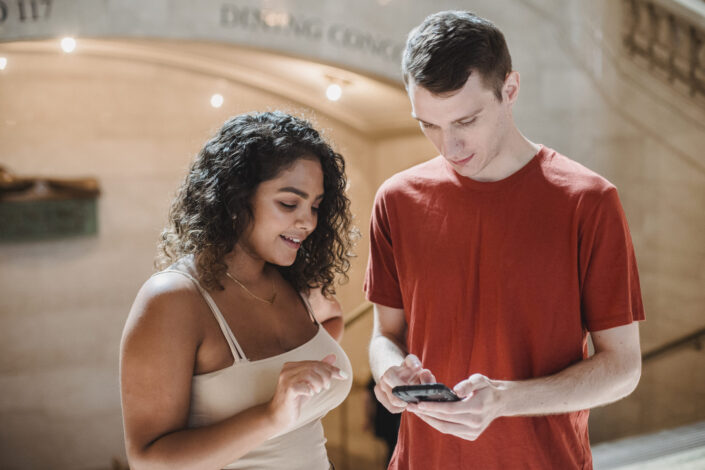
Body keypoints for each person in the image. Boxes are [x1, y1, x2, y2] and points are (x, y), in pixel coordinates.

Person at [366, 10, 644, 470]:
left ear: (510, 90)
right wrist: (387, 371)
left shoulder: (589, 201)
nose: (448, 147)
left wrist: (504, 400)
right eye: (428, 125)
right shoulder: (396, 200)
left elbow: (622, 368)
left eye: (465, 121)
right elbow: (385, 334)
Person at [120, 111, 355, 470]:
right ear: (234, 198)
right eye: (289, 203)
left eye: (316, 206)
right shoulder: (174, 300)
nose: (307, 222)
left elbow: (332, 317)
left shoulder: (292, 279)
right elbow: (148, 461)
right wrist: (271, 416)